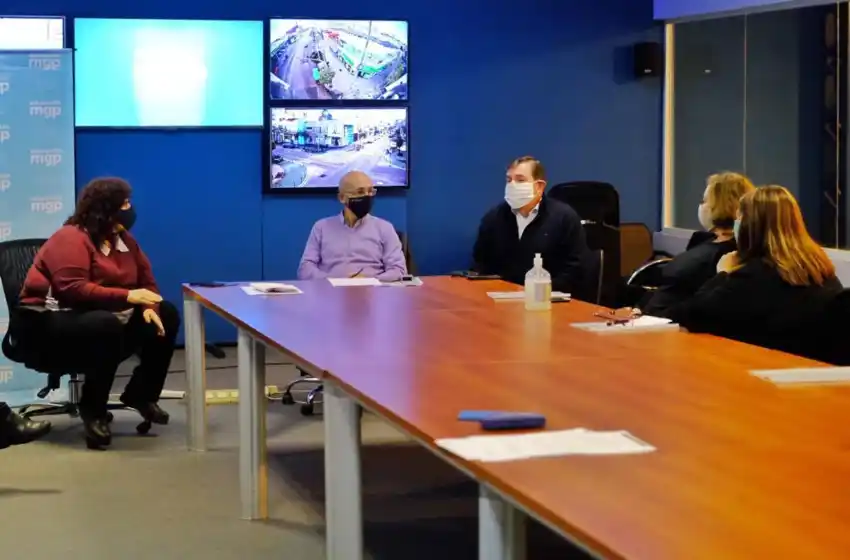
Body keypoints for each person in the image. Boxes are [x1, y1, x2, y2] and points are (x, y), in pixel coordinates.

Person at [16, 177, 180, 449]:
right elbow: (72, 290)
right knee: (105, 325)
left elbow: (147, 285)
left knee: (167, 313)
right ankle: (93, 409)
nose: (130, 210)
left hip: (96, 318)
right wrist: (128, 296)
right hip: (44, 322)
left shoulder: (124, 240)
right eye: (123, 204)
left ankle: (141, 395)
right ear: (103, 209)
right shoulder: (71, 238)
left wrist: (149, 308)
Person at [655, 186, 842, 354]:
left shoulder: (753, 276)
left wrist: (722, 274)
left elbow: (683, 316)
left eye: (739, 217)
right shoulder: (822, 270)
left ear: (749, 226)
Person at [638, 172, 755, 315]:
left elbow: (701, 302)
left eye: (704, 200)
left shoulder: (730, 253)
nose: (701, 206)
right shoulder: (703, 240)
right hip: (650, 316)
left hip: (675, 323)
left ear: (720, 204)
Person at [472, 156, 588, 293]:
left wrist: (540, 293)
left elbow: (575, 269)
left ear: (539, 186)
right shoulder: (494, 217)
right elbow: (480, 264)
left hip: (549, 301)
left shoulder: (564, 218)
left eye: (520, 180)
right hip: (500, 300)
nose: (512, 185)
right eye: (509, 180)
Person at [298, 171, 407, 281]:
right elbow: (305, 269)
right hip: (331, 293)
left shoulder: (385, 228)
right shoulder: (321, 227)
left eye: (370, 191)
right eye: (360, 192)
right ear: (341, 197)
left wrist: (370, 281)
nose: (367, 196)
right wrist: (335, 281)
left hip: (373, 293)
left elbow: (399, 270)